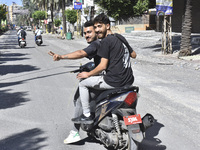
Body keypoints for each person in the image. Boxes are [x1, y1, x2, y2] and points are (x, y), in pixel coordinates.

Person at [72, 13, 136, 124]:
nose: (97, 30)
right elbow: (134, 54)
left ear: (107, 26)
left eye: (99, 26)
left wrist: (88, 74)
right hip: (129, 80)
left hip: (114, 81)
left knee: (82, 83)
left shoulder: (106, 41)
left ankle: (87, 114)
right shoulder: (120, 37)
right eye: (95, 27)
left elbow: (102, 67)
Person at [48, 20, 101, 144]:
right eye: (85, 33)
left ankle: (74, 132)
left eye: (89, 32)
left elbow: (81, 53)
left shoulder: (96, 44)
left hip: (105, 79)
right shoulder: (109, 40)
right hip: (119, 78)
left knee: (79, 100)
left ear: (97, 31)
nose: (87, 35)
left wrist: (61, 57)